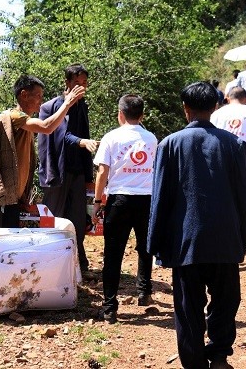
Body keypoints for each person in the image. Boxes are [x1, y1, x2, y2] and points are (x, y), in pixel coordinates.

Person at [147, 82, 246, 369]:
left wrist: (154, 243)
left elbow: (161, 197)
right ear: (215, 107)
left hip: (185, 240)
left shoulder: (169, 145)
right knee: (225, 299)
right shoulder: (234, 144)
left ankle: (194, 362)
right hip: (225, 237)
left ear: (186, 109)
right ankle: (219, 354)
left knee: (187, 305)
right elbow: (244, 195)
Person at [0, 74, 85, 229]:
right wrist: (67, 103)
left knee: (10, 245)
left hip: (13, 198)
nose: (41, 101)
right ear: (24, 95)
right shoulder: (14, 116)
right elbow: (46, 127)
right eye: (38, 96)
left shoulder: (26, 124)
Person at [92, 94, 157, 324]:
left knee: (113, 253)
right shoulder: (151, 139)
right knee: (145, 247)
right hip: (146, 200)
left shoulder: (111, 138)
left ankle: (110, 308)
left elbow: (102, 172)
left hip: (119, 200)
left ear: (120, 114)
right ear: (142, 115)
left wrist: (98, 202)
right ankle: (144, 292)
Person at [37, 63, 98, 275]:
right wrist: (82, 142)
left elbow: (83, 136)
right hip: (57, 172)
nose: (82, 87)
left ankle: (79, 265)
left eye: (84, 83)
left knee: (78, 220)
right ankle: (51, 266)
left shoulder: (82, 106)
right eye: (77, 83)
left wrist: (89, 175)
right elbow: (61, 136)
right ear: (67, 84)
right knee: (55, 219)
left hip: (78, 172)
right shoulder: (52, 107)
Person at [210, 87, 246, 163]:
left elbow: (211, 138)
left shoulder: (216, 114)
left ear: (228, 99)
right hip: (242, 158)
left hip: (222, 158)